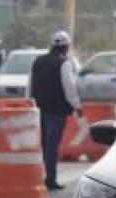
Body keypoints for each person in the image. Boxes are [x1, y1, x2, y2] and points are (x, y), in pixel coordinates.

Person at [29, 31, 82, 190]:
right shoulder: (64, 63)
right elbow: (69, 88)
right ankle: (50, 179)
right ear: (66, 46)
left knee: (44, 144)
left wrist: (29, 104)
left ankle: (41, 176)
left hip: (38, 108)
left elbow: (30, 85)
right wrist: (77, 106)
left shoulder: (38, 61)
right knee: (52, 145)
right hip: (57, 110)